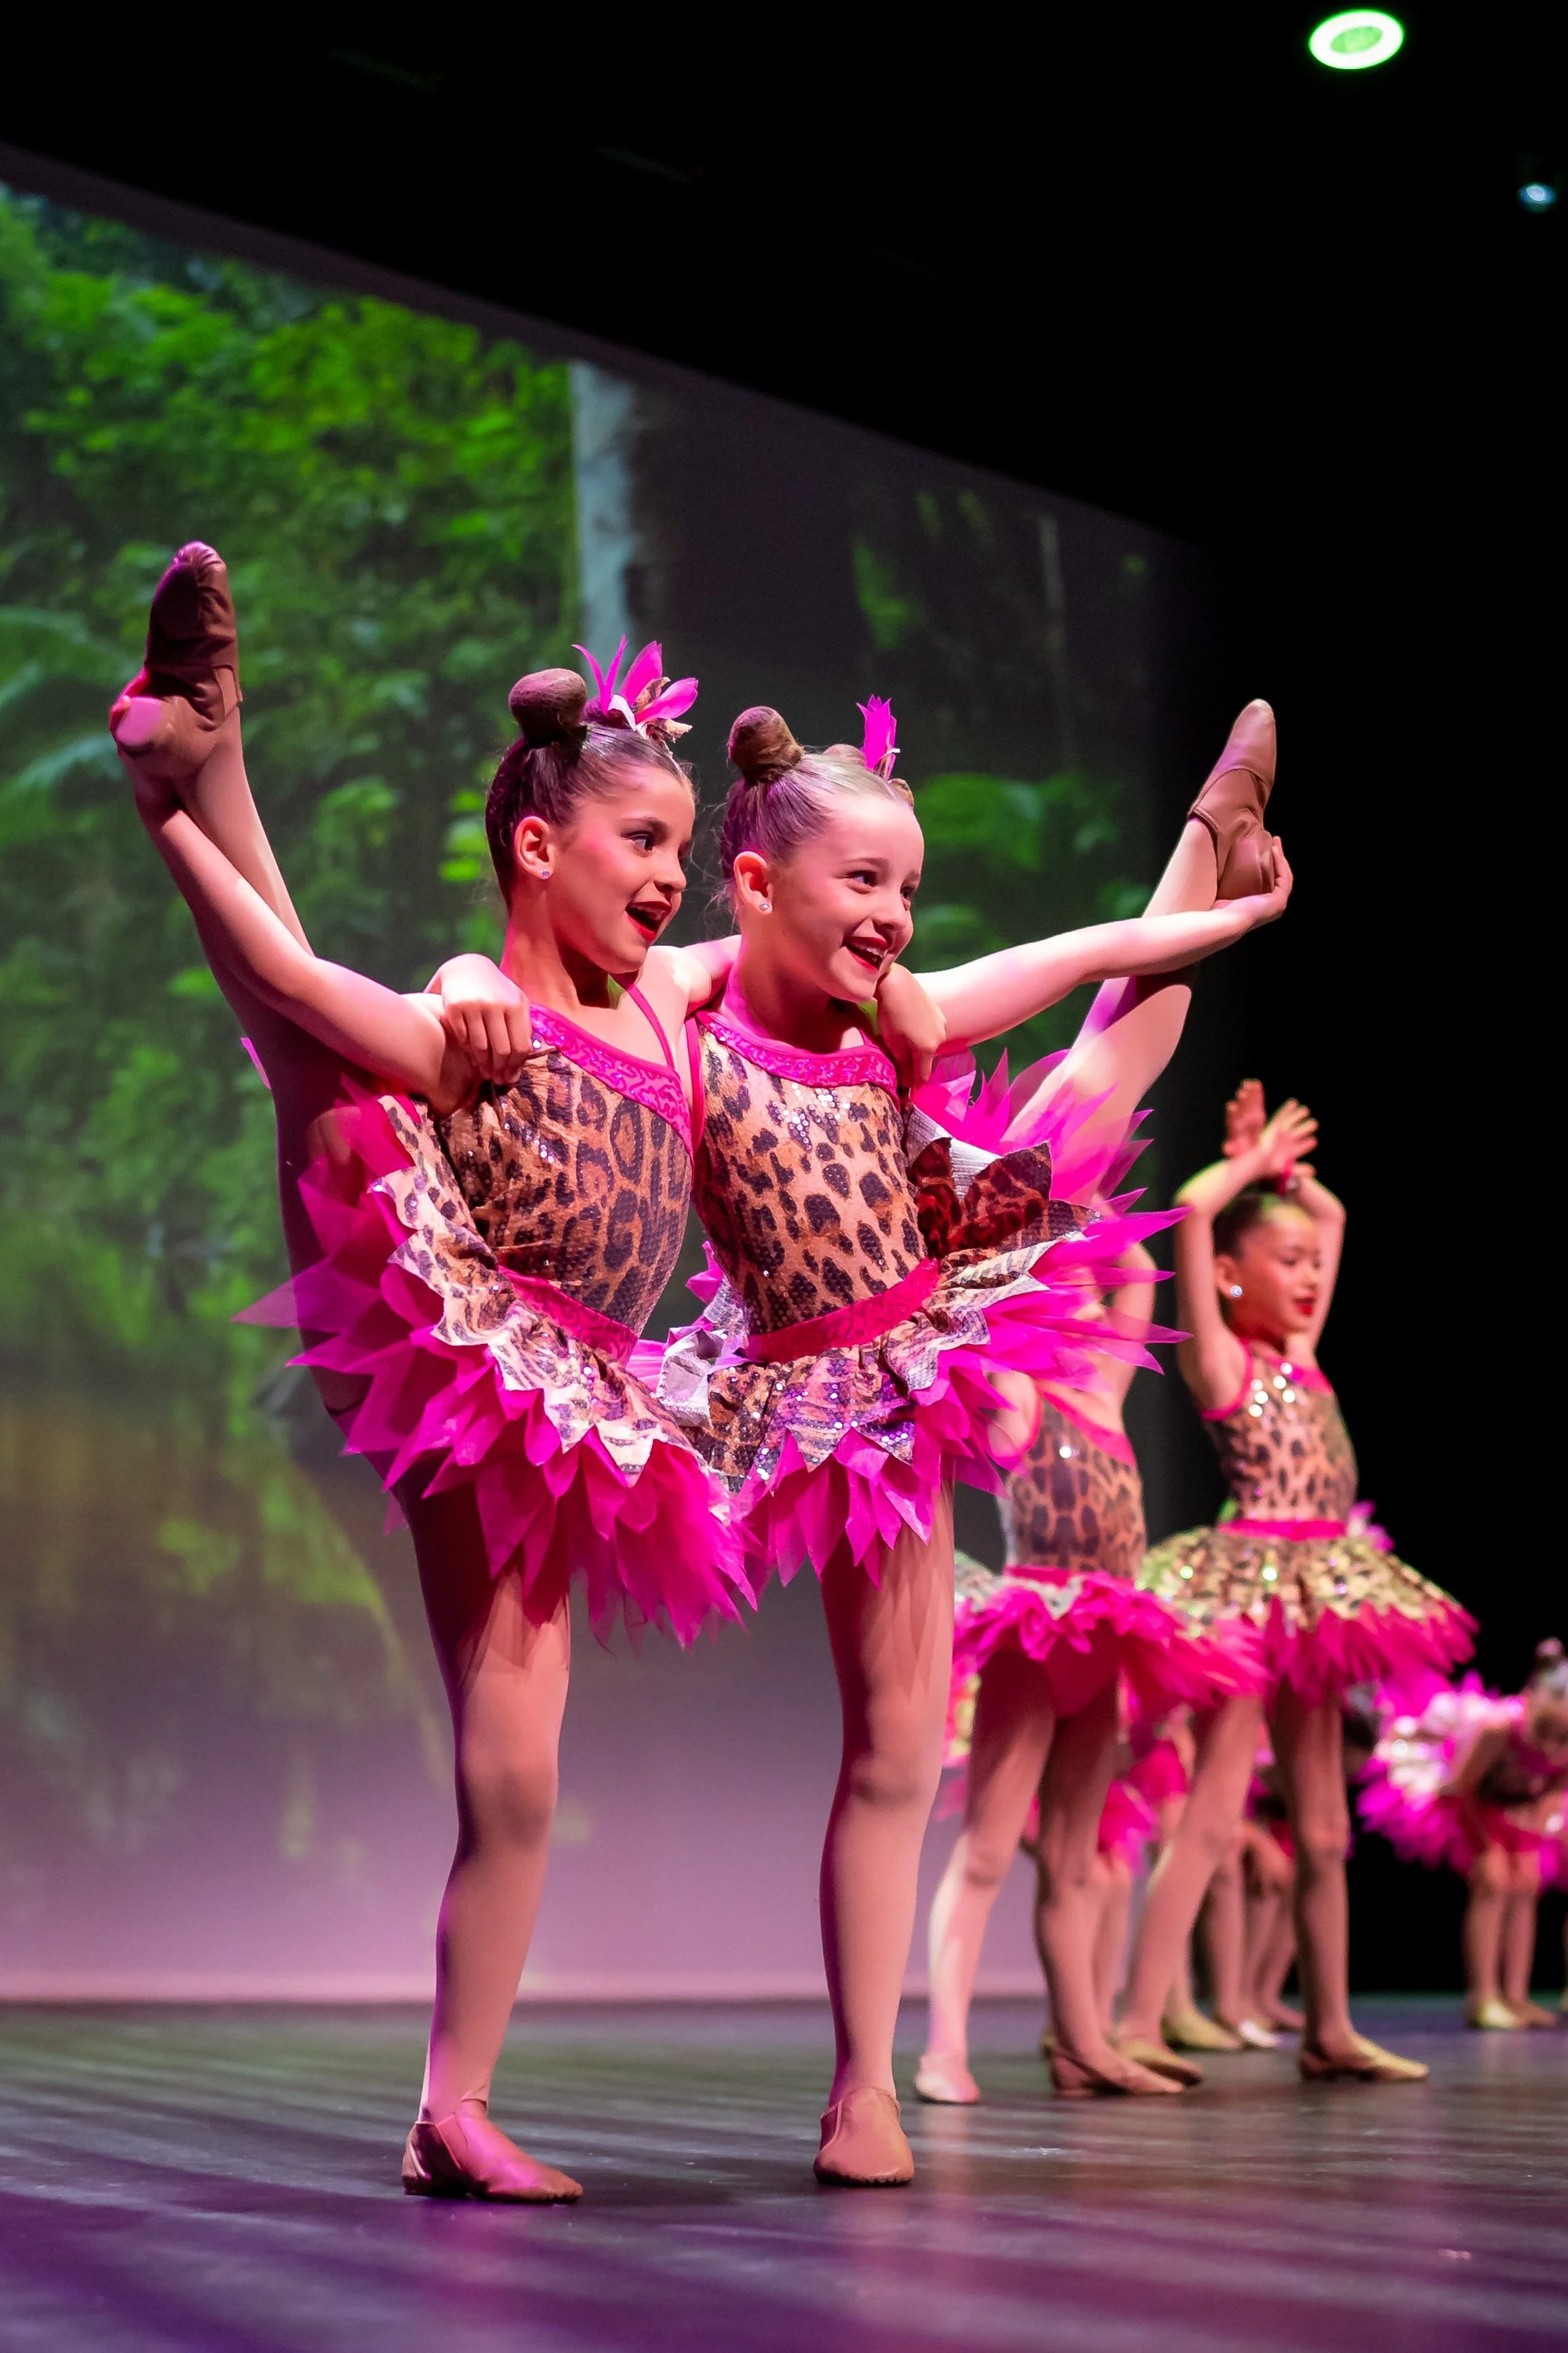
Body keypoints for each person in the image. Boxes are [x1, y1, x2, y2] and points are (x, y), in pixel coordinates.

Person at [106, 545, 931, 2200]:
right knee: (310, 1055)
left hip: (599, 1398)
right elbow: (283, 977)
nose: (673, 882)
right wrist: (171, 829)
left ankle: (445, 2108)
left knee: (523, 1774)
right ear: (538, 845)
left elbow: (816, 956)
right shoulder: (478, 1014)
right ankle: (208, 758)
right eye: (643, 843)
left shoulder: (678, 1005)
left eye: (690, 854)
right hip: (473, 1343)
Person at [670, 694, 1292, 2179]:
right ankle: (865, 2077)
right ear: (758, 881)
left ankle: (864, 2085)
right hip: (803, 1377)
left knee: (1100, 1069)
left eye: (907, 888)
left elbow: (1092, 958)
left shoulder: (905, 1013)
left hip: (921, 1288)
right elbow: (574, 991)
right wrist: (678, 958)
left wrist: (1220, 907)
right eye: (862, 883)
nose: (892, 916)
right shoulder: (680, 1022)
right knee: (884, 1745)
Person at [1117, 1084, 1475, 2084]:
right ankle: (1142, 2016)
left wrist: (1287, 1177)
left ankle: (1327, 2026)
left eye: (1315, 1268)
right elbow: (1189, 1210)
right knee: (1215, 1812)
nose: (1313, 1274)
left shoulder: (1305, 1357)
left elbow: (1335, 1215)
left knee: (1323, 1825)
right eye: (1288, 1263)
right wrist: (1242, 1170)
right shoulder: (1226, 1365)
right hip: (1249, 1592)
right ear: (1229, 1278)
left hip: (1321, 1598)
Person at [917, 1240, 1247, 2106]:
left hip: (1108, 1638)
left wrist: (1100, 1216)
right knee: (988, 1849)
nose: (1100, 1309)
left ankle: (1085, 2042)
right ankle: (943, 2049)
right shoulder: (1019, 1396)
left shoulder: (1107, 1396)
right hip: (1035, 1633)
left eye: (1096, 1296)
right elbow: (970, 1332)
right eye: (1075, 1294)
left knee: (1074, 1858)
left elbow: (1138, 1280)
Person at [1361, 1645, 1568, 2028]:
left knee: (1526, 1886)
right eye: (1553, 1732)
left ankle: (1516, 1996)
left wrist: (1536, 1828)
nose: (1556, 1744)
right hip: (1472, 1805)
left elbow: (1556, 1785)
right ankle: (1483, 1996)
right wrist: (1486, 1847)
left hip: (1522, 1809)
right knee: (1492, 1884)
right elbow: (1464, 1787)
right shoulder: (1501, 1728)